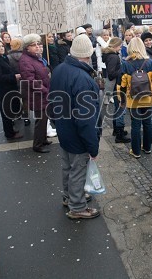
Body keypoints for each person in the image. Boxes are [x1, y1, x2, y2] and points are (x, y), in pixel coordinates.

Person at [48, 34, 100, 219]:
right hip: (77, 134)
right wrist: (93, 147)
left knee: (68, 167)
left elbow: (52, 100)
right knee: (77, 170)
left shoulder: (60, 69)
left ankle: (69, 196)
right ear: (88, 55)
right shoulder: (83, 79)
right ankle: (77, 207)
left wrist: (55, 122)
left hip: (64, 129)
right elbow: (86, 120)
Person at [119, 37, 152, 159]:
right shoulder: (150, 63)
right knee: (147, 123)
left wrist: (122, 99)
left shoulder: (126, 64)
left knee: (135, 125)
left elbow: (122, 85)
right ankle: (147, 148)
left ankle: (135, 151)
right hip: (148, 98)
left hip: (133, 100)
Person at [19, 34, 51, 153]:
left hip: (43, 94)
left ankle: (43, 139)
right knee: (40, 121)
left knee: (45, 119)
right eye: (34, 45)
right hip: (38, 95)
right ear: (27, 47)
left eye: (38, 44)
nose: (37, 47)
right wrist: (44, 89)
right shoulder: (26, 60)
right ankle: (37, 145)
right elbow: (30, 80)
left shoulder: (34, 57)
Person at [0, 40, 22, 140]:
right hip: (4, 89)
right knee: (6, 112)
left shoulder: (3, 57)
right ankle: (9, 133)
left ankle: (11, 130)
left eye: (2, 46)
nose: (1, 48)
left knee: (10, 111)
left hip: (10, 87)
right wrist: (13, 77)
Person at [102, 37, 131, 144]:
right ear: (115, 46)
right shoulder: (113, 57)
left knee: (117, 108)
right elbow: (111, 74)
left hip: (114, 86)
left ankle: (116, 130)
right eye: (120, 45)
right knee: (121, 109)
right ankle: (119, 134)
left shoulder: (110, 55)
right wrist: (123, 68)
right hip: (117, 85)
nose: (121, 47)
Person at [7, 38, 31, 127]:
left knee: (14, 99)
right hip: (24, 81)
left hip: (13, 81)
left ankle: (15, 116)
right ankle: (26, 118)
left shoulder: (8, 57)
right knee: (25, 100)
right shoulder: (25, 56)